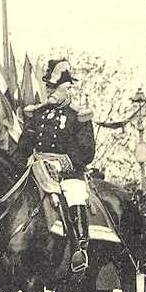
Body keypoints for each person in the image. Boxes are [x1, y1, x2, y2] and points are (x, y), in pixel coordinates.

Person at [14, 58, 96, 273]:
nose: (48, 90)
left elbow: (86, 153)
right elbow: (23, 148)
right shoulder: (37, 114)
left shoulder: (78, 116)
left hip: (66, 173)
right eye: (48, 86)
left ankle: (80, 249)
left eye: (53, 86)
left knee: (75, 194)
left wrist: (62, 164)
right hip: (37, 169)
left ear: (67, 88)